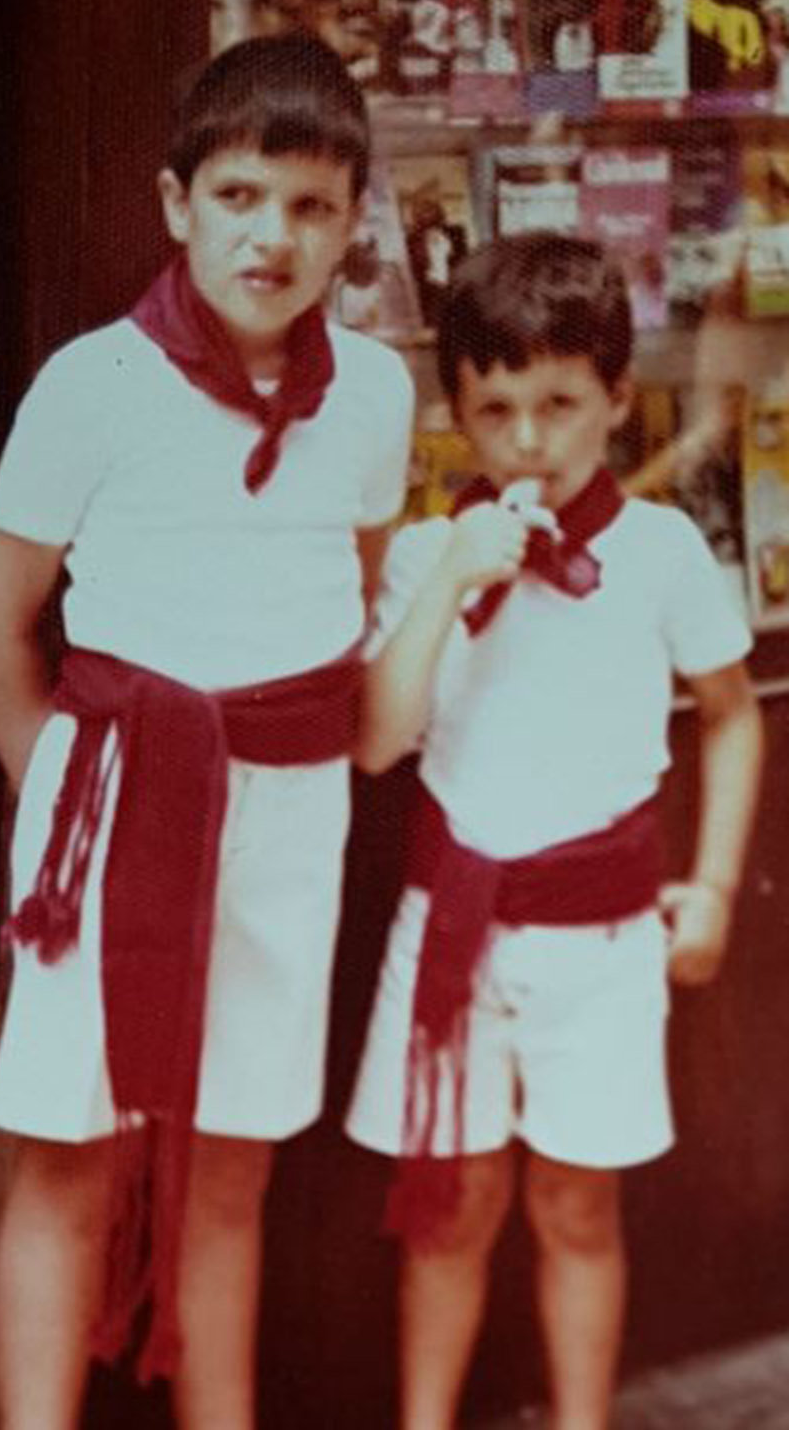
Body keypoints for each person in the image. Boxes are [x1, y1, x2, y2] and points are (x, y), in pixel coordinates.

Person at [0, 31, 415, 1430]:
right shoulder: (92, 385)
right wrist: (65, 796)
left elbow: (355, 588)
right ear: (177, 202)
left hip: (287, 817)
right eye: (237, 196)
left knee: (232, 1160)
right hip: (112, 803)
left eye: (310, 205)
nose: (271, 235)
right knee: (71, 1157)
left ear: (352, 221)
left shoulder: (374, 394)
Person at [346, 233, 762, 1430]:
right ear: (456, 413)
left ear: (616, 399)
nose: (528, 439)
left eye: (559, 404)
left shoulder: (659, 553)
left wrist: (712, 887)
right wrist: (447, 580)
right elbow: (373, 742)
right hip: (450, 935)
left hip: (600, 945)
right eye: (496, 409)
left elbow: (731, 717)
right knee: (451, 1206)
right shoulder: (423, 555)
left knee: (576, 1207)